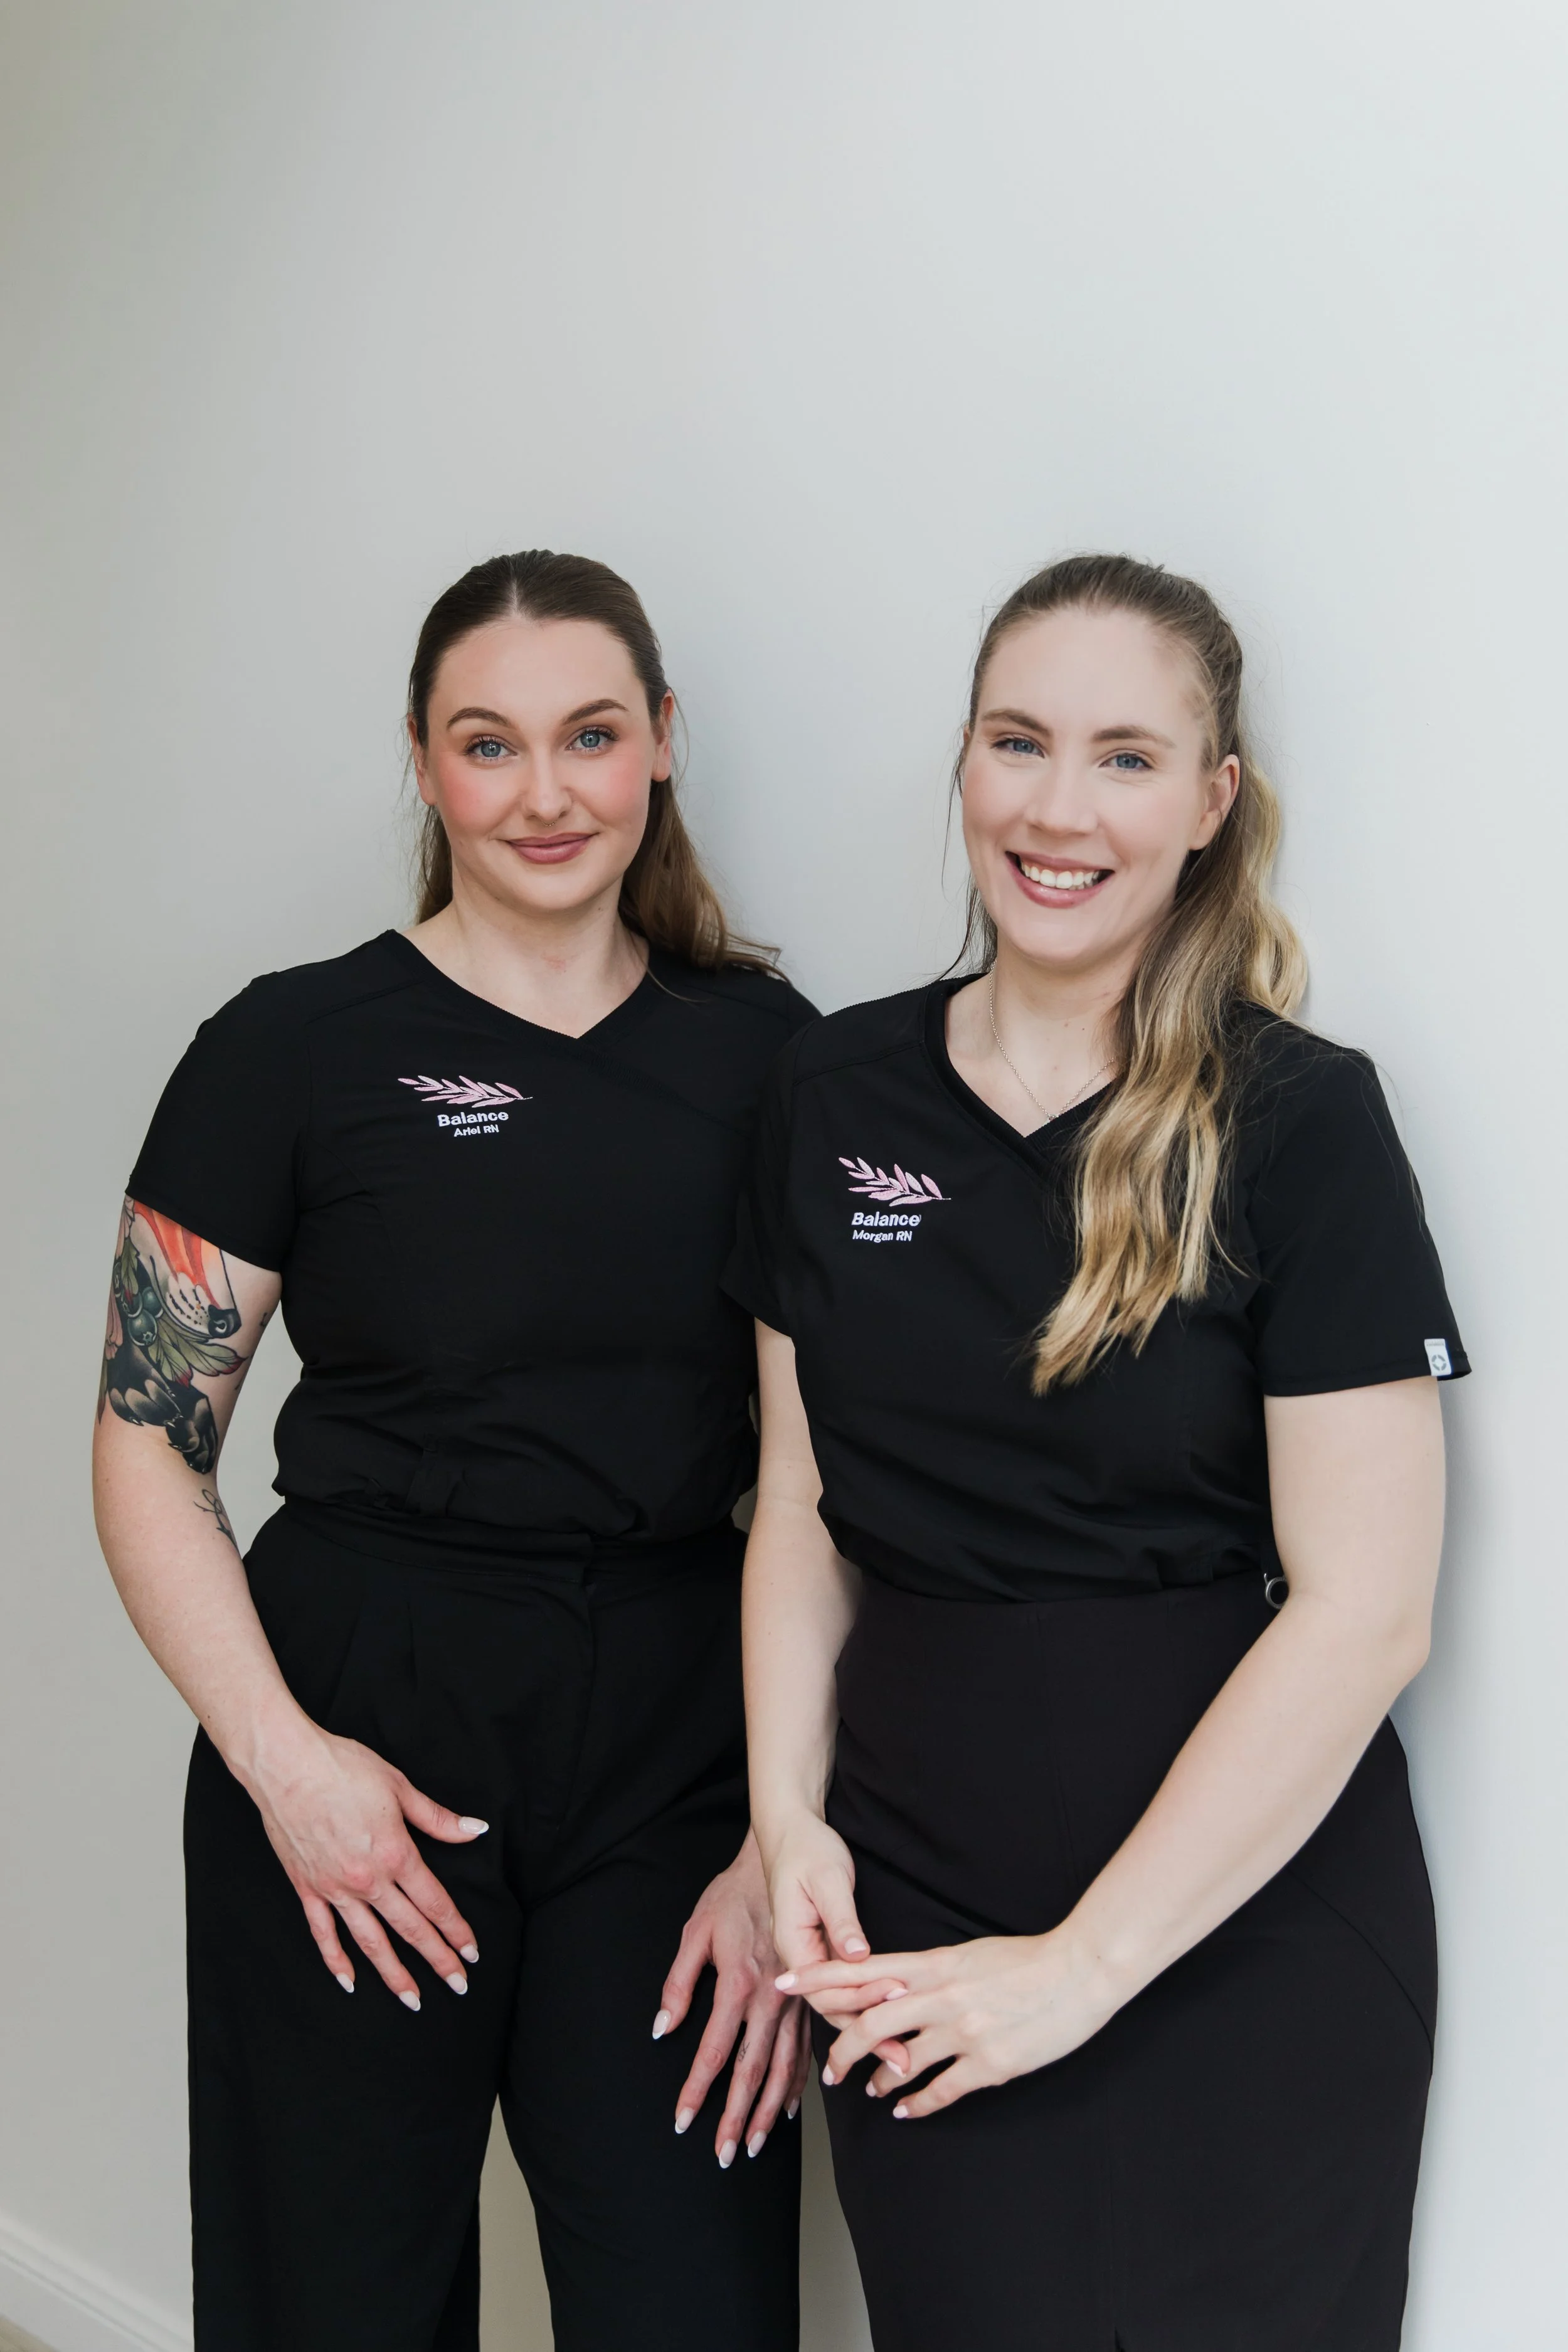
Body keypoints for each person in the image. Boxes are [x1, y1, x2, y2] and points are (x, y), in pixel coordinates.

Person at [732, 553, 1466, 2351]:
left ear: (1211, 804)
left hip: (1245, 1923)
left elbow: (1366, 1615)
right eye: (1019, 742)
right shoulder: (830, 1097)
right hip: (915, 1890)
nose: (1059, 809)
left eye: (1127, 757)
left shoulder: (1301, 1120)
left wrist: (1080, 1968)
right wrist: (779, 1820)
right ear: (963, 767)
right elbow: (798, 1516)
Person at [92, 550, 814, 2352]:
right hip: (356, 1708)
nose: (546, 790)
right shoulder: (287, 1049)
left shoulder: (774, 1061)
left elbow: (817, 1476)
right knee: (333, 2299)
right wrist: (284, 1766)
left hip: (673, 1751)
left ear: (661, 742)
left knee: (689, 2302)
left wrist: (780, 1839)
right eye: (488, 743)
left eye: (590, 733)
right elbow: (146, 1446)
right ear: (423, 765)